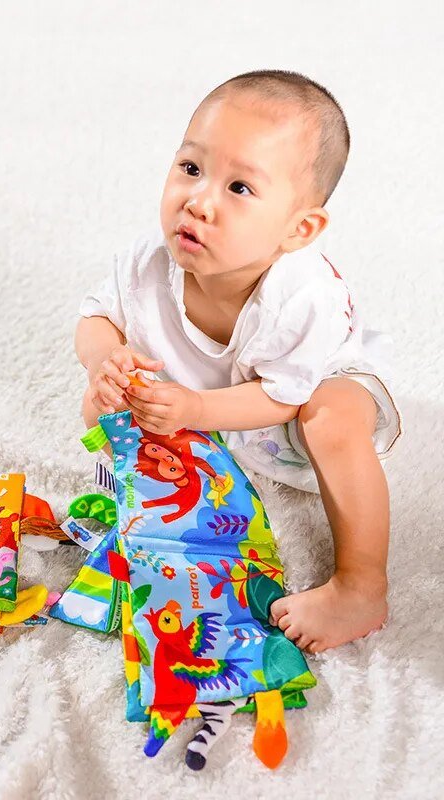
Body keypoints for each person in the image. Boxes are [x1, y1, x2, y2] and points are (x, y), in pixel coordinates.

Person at [74, 70, 402, 654]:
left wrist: (197, 407)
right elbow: (97, 317)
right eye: (191, 169)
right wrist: (108, 360)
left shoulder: (302, 297)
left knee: (334, 416)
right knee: (103, 406)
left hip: (297, 398)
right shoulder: (150, 262)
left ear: (300, 228)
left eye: (240, 188)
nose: (198, 201)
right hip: (208, 410)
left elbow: (283, 396)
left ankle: (361, 585)